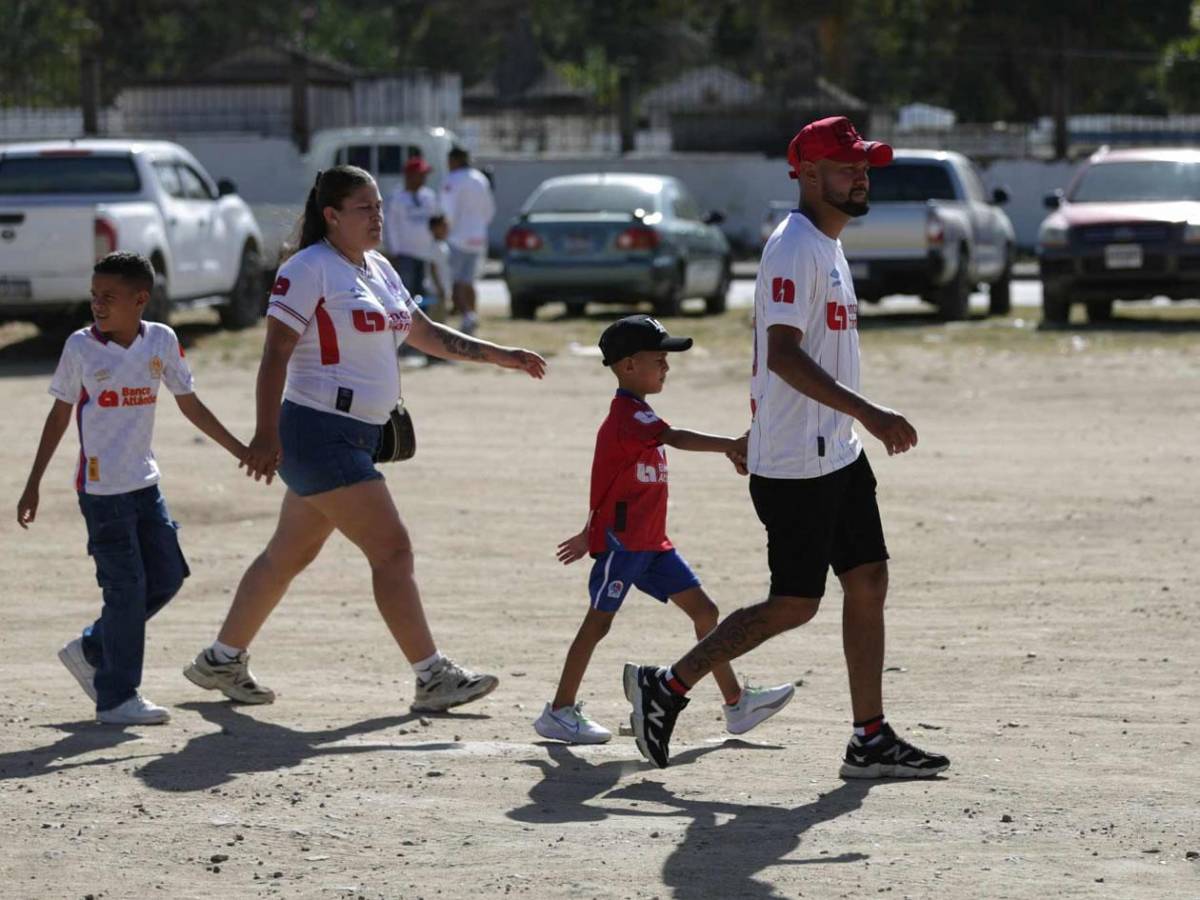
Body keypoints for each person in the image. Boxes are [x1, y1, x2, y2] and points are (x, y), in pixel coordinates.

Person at [623, 117, 951, 778]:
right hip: (800, 464)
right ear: (807, 173)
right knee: (796, 604)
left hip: (837, 451)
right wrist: (870, 412)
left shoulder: (827, 244)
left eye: (863, 166)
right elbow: (781, 355)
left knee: (869, 579)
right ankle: (668, 684)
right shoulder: (795, 247)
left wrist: (828, 424)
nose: (860, 177)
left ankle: (869, 737)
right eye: (846, 167)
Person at [182, 165, 547, 712]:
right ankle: (432, 676)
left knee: (286, 556)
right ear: (331, 215)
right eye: (364, 208)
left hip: (352, 436)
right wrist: (264, 433)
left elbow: (423, 332)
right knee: (392, 550)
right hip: (317, 433)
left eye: (378, 206)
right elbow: (275, 352)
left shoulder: (377, 267)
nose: (377, 217)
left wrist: (499, 355)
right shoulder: (308, 268)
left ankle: (221, 659)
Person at [533, 315, 794, 745]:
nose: (666, 366)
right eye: (659, 359)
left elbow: (610, 481)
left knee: (705, 612)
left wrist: (585, 530)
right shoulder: (628, 416)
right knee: (597, 624)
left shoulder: (640, 413)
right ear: (629, 365)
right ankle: (559, 711)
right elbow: (675, 437)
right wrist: (731, 445)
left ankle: (736, 704)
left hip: (652, 544)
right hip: (623, 545)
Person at [17, 252, 247, 725]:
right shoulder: (81, 347)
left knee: (166, 577)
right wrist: (33, 482)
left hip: (145, 484)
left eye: (109, 296)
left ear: (140, 299)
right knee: (125, 590)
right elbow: (58, 416)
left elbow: (190, 405)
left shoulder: (161, 340)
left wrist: (240, 449)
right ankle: (116, 698)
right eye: (94, 296)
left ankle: (93, 647)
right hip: (102, 493)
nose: (98, 304)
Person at [439, 146, 495, 335]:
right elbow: (489, 210)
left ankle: (466, 315)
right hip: (478, 237)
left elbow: (447, 211)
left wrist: (444, 231)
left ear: (455, 160)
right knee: (469, 281)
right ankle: (471, 315)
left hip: (457, 237)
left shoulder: (452, 180)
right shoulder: (480, 179)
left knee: (456, 282)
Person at [384, 155, 440, 297]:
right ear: (409, 175)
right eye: (420, 174)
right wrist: (394, 251)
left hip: (425, 253)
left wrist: (434, 247)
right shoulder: (396, 198)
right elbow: (391, 226)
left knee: (423, 293)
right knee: (406, 292)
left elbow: (434, 222)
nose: (424, 178)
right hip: (405, 254)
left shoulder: (429, 196)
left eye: (424, 175)